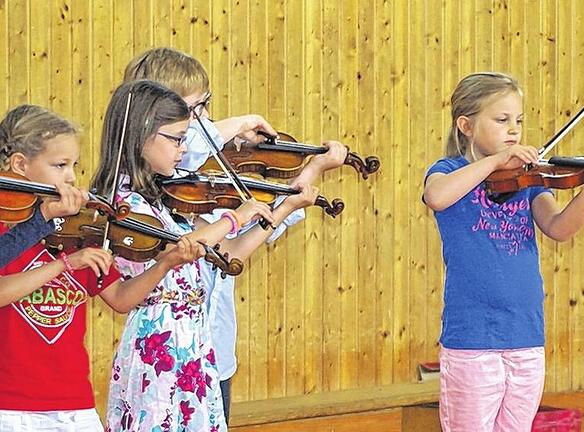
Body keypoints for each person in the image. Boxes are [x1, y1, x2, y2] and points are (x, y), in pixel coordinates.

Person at [122, 46, 347, 421]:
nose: (204, 121)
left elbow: (232, 251)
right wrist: (239, 123)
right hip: (163, 358)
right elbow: (210, 228)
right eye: (197, 110)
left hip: (212, 353)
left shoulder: (191, 183)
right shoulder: (142, 193)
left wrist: (306, 179)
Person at [93, 80, 317, 431]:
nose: (183, 149)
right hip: (159, 345)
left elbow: (225, 253)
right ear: (142, 135)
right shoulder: (123, 203)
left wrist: (285, 206)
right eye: (176, 139)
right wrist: (235, 217)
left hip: (194, 340)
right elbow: (177, 248)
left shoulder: (164, 197)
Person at [422, 71, 584, 432]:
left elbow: (560, 228)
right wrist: (495, 162)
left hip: (526, 334)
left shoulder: (527, 179)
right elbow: (436, 196)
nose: (513, 130)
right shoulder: (449, 170)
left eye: (518, 120)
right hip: (473, 338)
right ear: (466, 125)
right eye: (501, 120)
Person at [0, 104, 203, 431]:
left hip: (74, 402)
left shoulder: (78, 229)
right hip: (10, 406)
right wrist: (65, 265)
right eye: (60, 165)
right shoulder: (5, 228)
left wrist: (164, 264)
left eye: (74, 165)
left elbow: (121, 299)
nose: (71, 176)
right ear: (20, 165)